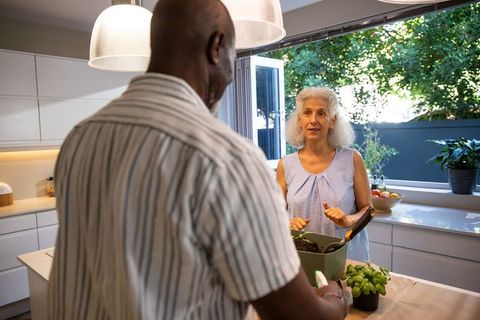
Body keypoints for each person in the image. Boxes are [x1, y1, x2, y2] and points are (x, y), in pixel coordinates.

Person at [47, 1, 347, 319]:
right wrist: (334, 301)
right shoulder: (227, 159)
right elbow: (296, 316)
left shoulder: (80, 137)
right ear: (216, 46)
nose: (230, 77)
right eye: (234, 58)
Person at [276, 87, 372, 262]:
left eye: (321, 113)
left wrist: (348, 220)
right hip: (301, 257)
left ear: (332, 120)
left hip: (347, 255)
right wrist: (288, 223)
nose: (313, 120)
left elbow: (368, 209)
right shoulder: (286, 164)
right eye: (307, 113)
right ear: (299, 120)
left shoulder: (353, 159)